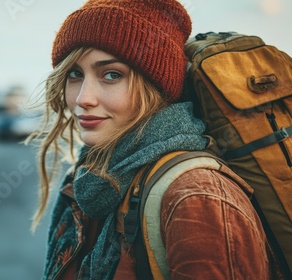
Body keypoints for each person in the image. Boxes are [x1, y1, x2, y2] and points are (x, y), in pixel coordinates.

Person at [27, 0, 283, 279]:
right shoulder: (93, 174)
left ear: (156, 87)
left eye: (111, 75)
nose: (82, 98)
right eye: (75, 74)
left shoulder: (196, 196)